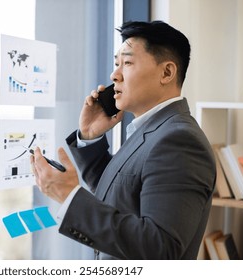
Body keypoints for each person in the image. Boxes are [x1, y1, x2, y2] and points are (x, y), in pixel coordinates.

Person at [30, 20, 216, 260]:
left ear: (167, 72)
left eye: (127, 63)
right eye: (116, 63)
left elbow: (159, 248)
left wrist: (69, 196)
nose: (114, 74)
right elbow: (121, 197)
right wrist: (91, 137)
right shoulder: (152, 130)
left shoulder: (179, 141)